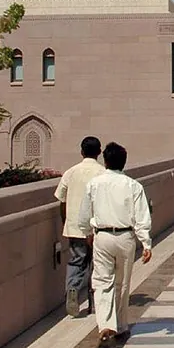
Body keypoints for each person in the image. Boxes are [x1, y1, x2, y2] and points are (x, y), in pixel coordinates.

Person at [78, 142, 152, 348]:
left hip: (102, 236)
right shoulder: (133, 185)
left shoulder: (94, 184)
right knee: (122, 283)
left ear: (105, 160)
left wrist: (87, 233)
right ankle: (119, 325)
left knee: (102, 282)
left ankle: (106, 326)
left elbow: (84, 215)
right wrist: (145, 242)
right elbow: (141, 216)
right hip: (125, 236)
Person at [56, 136, 104, 317]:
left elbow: (62, 200)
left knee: (77, 261)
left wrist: (66, 222)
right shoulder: (102, 173)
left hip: (75, 227)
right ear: (99, 152)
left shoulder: (71, 172)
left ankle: (72, 289)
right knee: (97, 264)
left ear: (82, 152)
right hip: (97, 228)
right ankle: (94, 302)